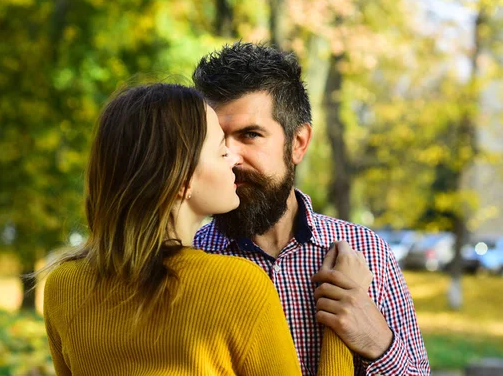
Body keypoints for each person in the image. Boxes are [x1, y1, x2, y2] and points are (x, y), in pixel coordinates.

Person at [41, 83, 371, 375]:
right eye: (219, 149)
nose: (233, 159)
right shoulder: (240, 288)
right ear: (181, 178)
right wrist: (339, 329)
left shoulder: (62, 287)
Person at [192, 42, 431, 375]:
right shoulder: (185, 260)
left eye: (250, 135)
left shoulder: (368, 253)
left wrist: (377, 342)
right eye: (216, 140)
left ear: (298, 143)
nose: (230, 157)